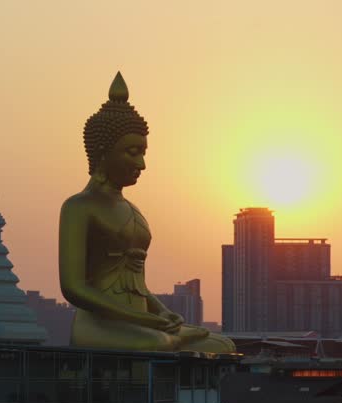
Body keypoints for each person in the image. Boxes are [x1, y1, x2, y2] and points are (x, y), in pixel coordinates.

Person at [59, 72, 235, 354]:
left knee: (223, 344)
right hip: (100, 324)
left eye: (143, 153)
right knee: (154, 343)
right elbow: (73, 288)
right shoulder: (79, 207)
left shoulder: (132, 210)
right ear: (103, 152)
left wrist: (162, 313)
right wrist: (141, 319)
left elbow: (136, 284)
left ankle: (171, 340)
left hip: (144, 323)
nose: (141, 164)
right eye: (132, 152)